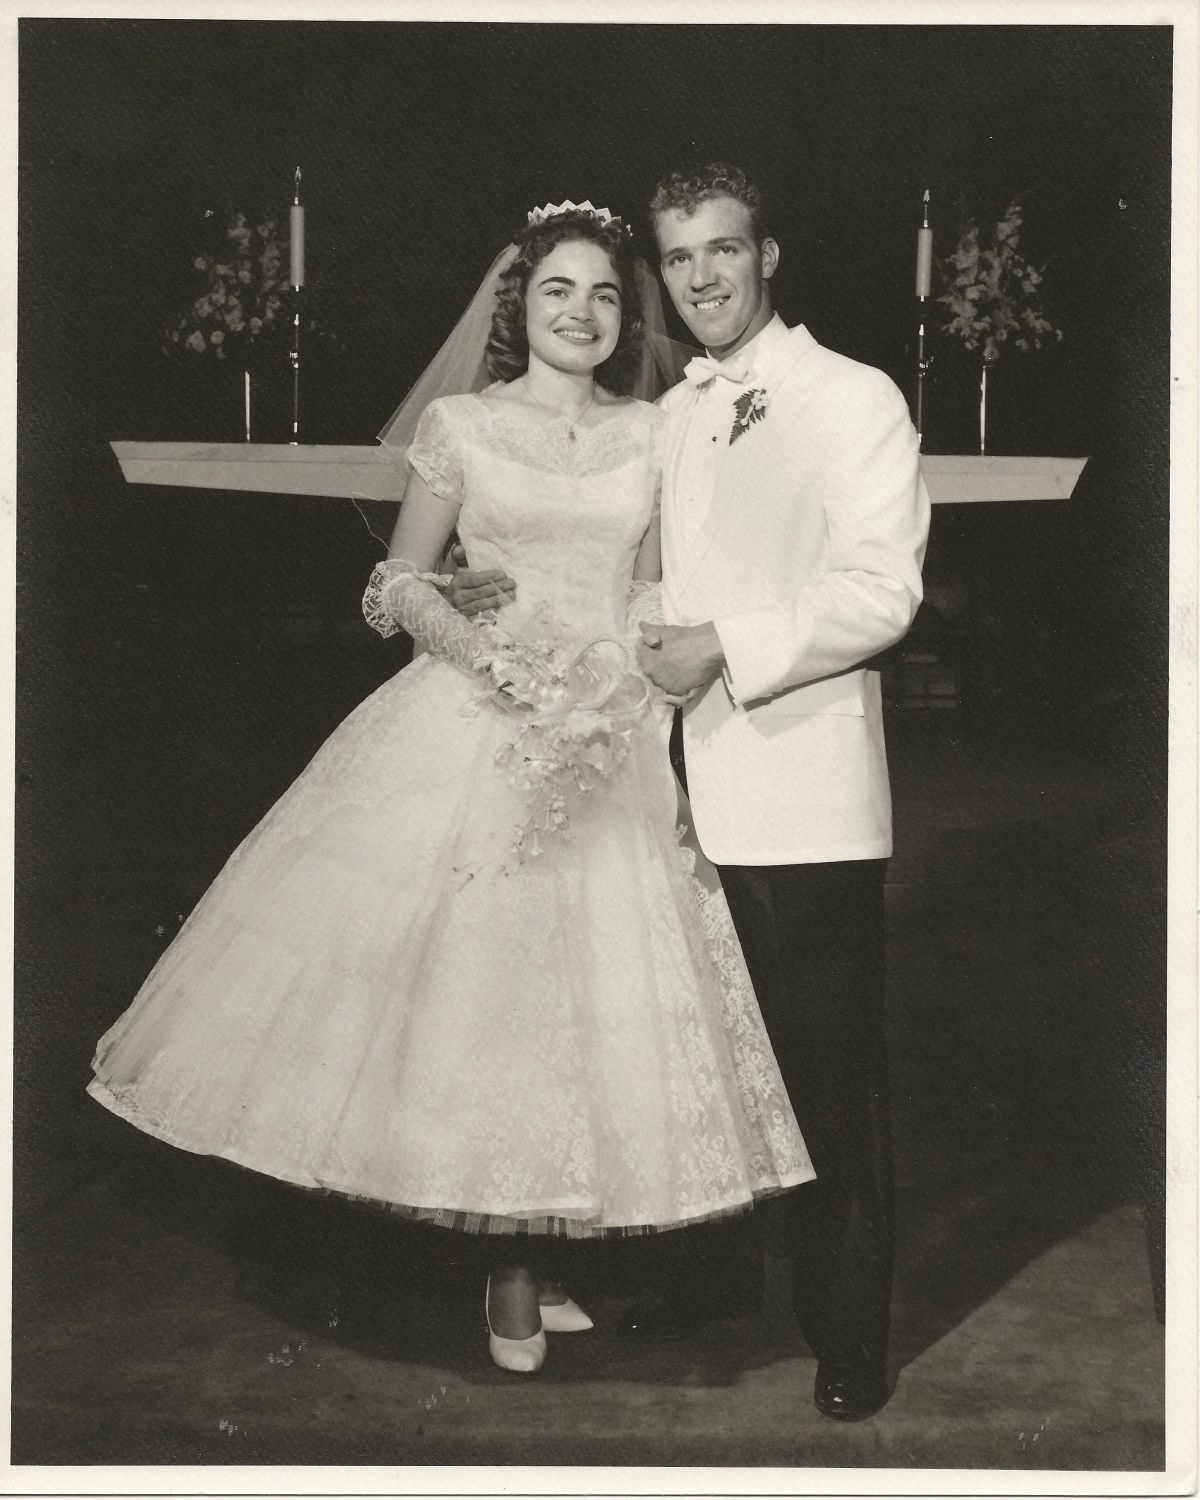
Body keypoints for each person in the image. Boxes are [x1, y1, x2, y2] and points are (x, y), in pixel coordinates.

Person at [87, 201, 814, 1376]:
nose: (581, 315)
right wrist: (497, 662)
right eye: (556, 294)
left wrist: (614, 689)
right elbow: (400, 583)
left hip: (606, 730)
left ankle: (545, 1245)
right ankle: (511, 1277)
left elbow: (648, 589)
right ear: (516, 311)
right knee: (488, 1001)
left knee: (590, 1009)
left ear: (627, 320)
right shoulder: (462, 424)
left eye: (603, 298)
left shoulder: (652, 432)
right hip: (476, 727)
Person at [447, 164, 929, 1416]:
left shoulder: (851, 396)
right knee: (706, 1057)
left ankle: (848, 1333)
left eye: (725, 250)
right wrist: (491, 586)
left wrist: (728, 642)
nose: (705, 276)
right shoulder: (668, 411)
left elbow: (882, 591)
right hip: (661, 780)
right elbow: (632, 567)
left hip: (800, 784)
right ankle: (712, 1285)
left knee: (828, 1076)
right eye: (682, 258)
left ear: (768, 254)